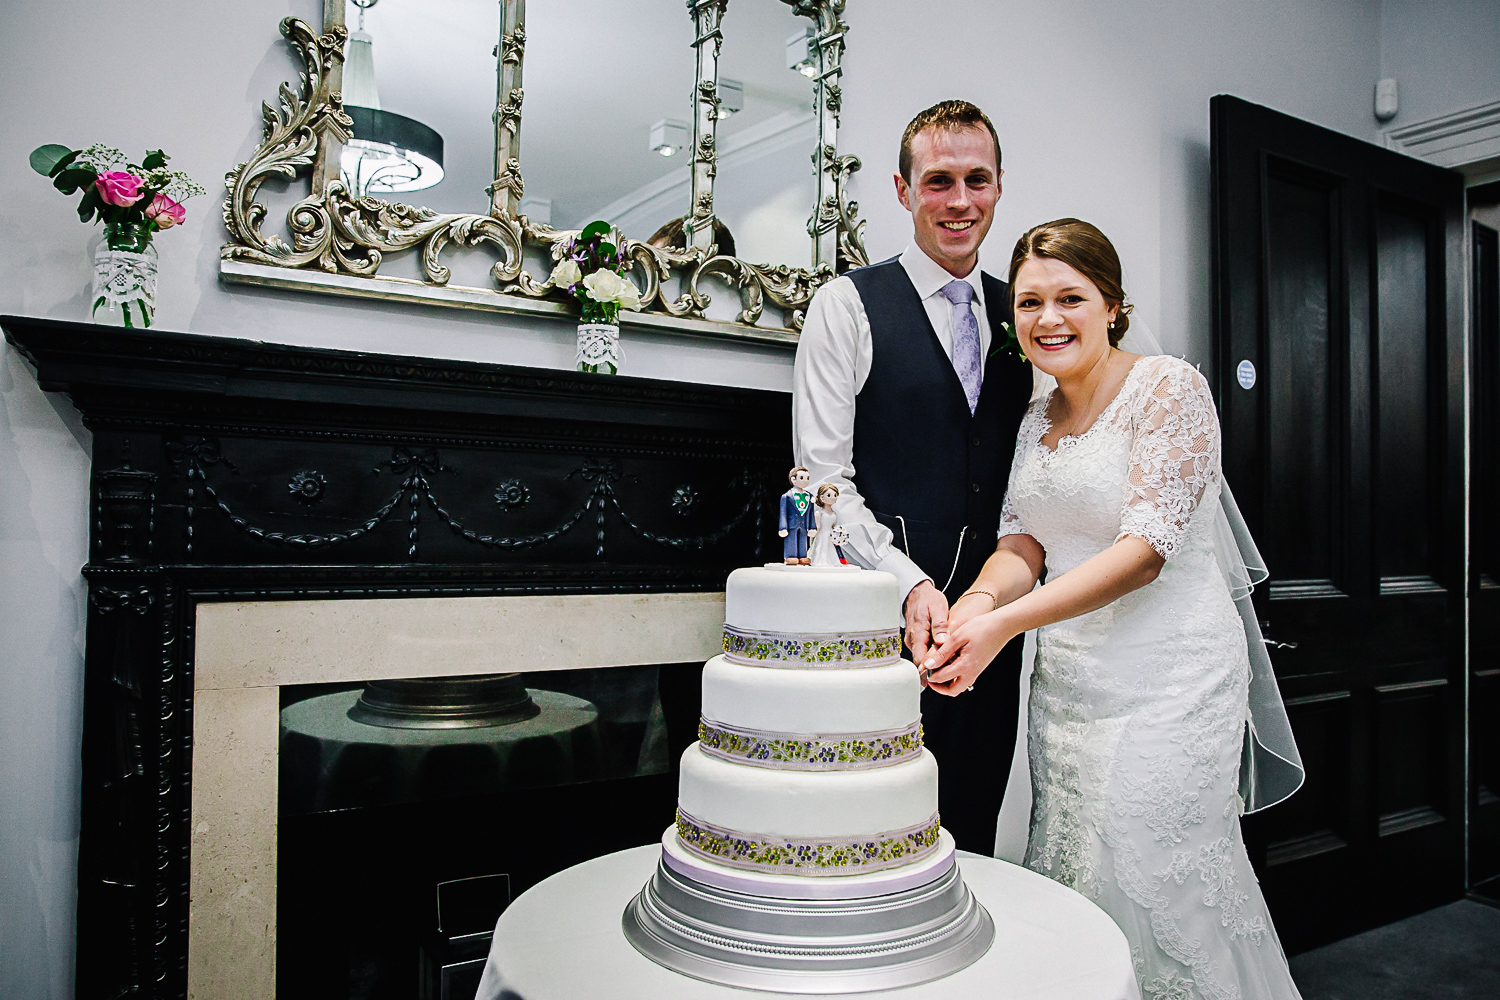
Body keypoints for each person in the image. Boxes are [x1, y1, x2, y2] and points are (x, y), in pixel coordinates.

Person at [925, 218, 1304, 999]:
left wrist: (1004, 624)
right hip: (1069, 685)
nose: (1048, 319)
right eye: (1029, 303)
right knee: (1072, 868)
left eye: (1071, 297)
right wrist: (977, 602)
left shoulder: (1170, 389)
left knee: (1152, 867)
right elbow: (1023, 543)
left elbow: (1144, 552)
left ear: (1113, 306)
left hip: (1172, 679)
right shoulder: (1036, 421)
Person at [792, 100, 1034, 852]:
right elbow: (821, 480)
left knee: (973, 825)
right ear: (903, 190)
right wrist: (909, 585)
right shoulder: (846, 306)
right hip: (876, 619)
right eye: (938, 181)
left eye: (976, 180)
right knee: (873, 836)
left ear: (998, 188)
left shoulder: (1025, 315)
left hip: (993, 629)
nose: (959, 202)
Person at [778, 466, 817, 565]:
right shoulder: (787, 496)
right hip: (792, 524)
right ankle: (791, 555)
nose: (806, 481)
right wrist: (783, 527)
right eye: (802, 478)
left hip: (804, 524)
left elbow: (811, 513)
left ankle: (803, 555)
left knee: (803, 540)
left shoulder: (809, 496)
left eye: (807, 478)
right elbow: (783, 513)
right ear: (793, 479)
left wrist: (812, 527)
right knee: (791, 539)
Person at [808, 483, 844, 567]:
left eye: (835, 495)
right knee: (821, 549)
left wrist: (839, 535)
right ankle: (821, 561)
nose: (833, 497)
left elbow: (834, 526)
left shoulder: (834, 513)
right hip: (822, 535)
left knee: (830, 550)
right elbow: (817, 526)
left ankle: (831, 561)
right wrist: (812, 534)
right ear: (821, 498)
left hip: (830, 537)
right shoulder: (819, 513)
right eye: (829, 495)